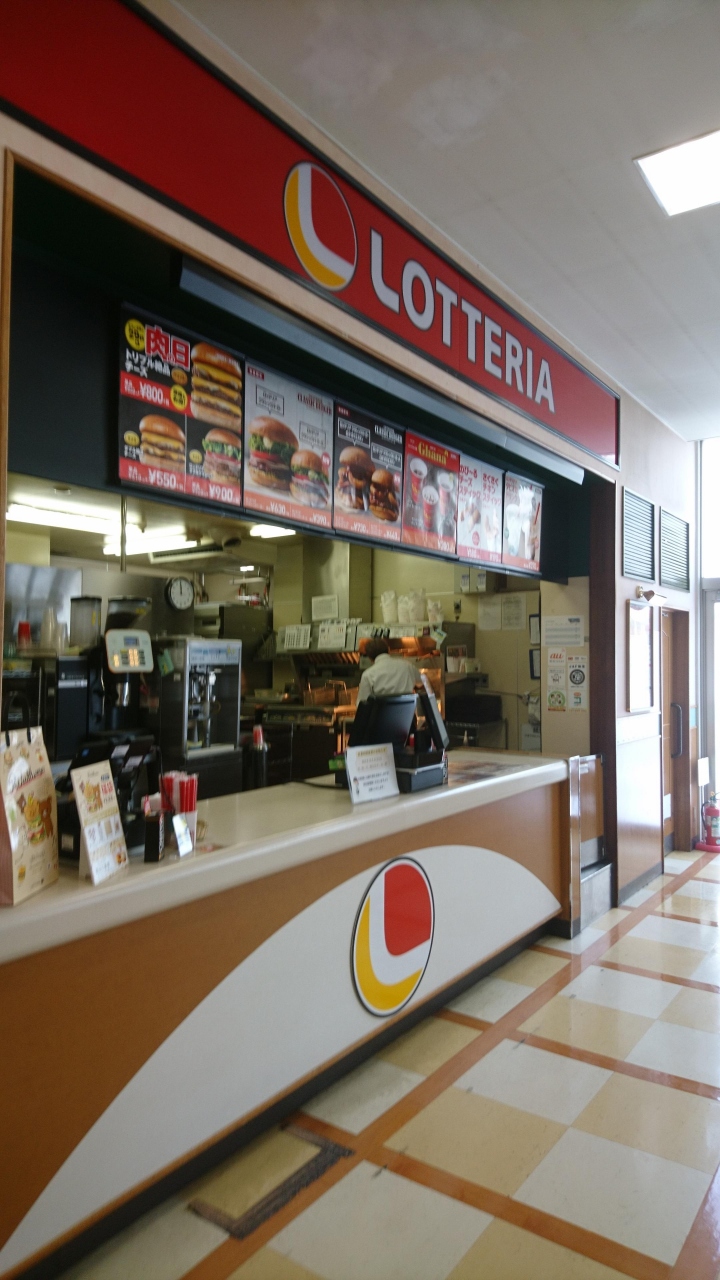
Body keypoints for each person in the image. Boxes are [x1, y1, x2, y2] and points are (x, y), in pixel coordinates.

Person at [356, 638, 419, 703]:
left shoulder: (368, 675)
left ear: (369, 657)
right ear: (389, 650)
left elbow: (362, 703)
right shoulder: (408, 666)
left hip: (382, 709)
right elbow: (422, 683)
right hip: (408, 709)